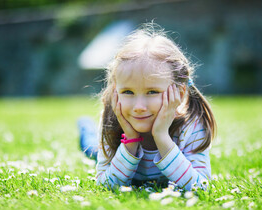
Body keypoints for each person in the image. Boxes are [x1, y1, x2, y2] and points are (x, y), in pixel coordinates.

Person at [78, 23, 216, 191]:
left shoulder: (192, 125)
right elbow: (106, 185)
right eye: (128, 91)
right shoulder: (110, 121)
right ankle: (85, 126)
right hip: (113, 144)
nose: (139, 107)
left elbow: (200, 187)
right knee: (91, 147)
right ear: (115, 92)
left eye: (152, 92)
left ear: (179, 94)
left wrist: (161, 136)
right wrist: (130, 140)